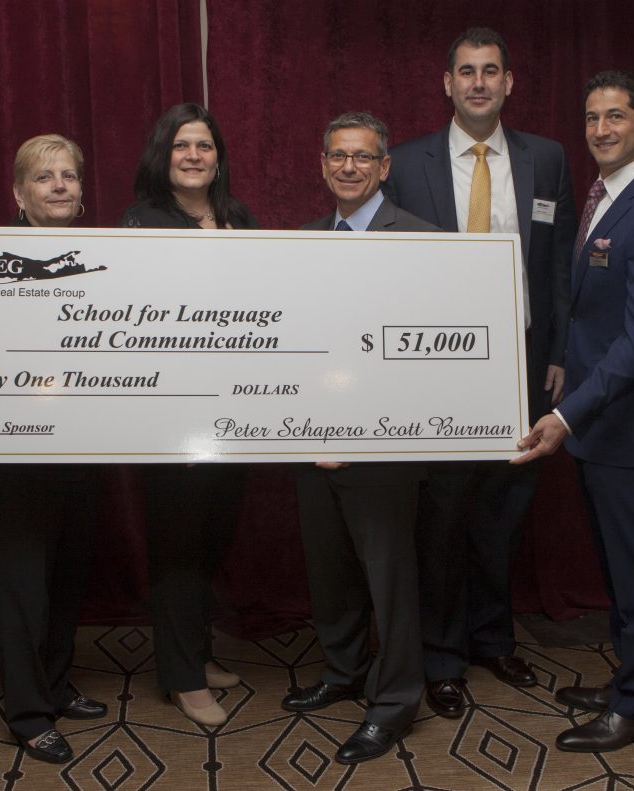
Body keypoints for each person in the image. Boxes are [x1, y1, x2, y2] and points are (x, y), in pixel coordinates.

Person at [383, 27, 576, 717]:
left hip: (523, 363)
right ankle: (442, 657)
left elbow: (557, 262)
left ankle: (493, 637)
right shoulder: (406, 163)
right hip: (438, 371)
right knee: (442, 517)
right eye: (466, 72)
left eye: (491, 71)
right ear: (446, 83)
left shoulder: (547, 159)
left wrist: (558, 353)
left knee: (504, 510)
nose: (478, 83)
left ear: (509, 82)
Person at [513, 70, 634, 752]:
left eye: (616, 116)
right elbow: (593, 311)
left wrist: (567, 416)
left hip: (631, 429)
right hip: (600, 424)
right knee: (620, 571)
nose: (601, 129)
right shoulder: (604, 200)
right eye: (591, 117)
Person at [280, 112, 434, 765]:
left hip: (384, 448)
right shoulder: (304, 240)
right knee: (330, 566)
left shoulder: (422, 239)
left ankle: (396, 700)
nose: (349, 167)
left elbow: (424, 351)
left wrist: (371, 431)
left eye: (362, 157)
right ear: (322, 164)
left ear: (384, 166)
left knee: (388, 577)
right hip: (315, 440)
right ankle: (344, 670)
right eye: (338, 156)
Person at [0, 134, 106, 765]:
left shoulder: (100, 259)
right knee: (24, 584)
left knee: (67, 575)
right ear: (19, 193)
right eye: (45, 177)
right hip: (10, 455)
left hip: (80, 449)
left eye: (69, 177)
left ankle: (53, 685)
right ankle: (26, 711)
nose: (60, 186)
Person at [120, 103, 256, 727]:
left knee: (210, 539)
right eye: (182, 146)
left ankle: (195, 654)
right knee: (177, 546)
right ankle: (181, 678)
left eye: (205, 145)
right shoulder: (142, 222)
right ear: (163, 155)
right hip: (169, 415)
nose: (195, 155)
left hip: (234, 410)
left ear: (218, 157)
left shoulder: (239, 218)